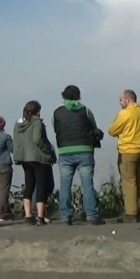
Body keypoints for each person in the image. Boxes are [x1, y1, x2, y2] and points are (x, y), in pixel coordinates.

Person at [53, 85, 104, 225]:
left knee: (65, 185)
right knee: (87, 184)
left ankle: (65, 216)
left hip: (64, 151)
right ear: (78, 96)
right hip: (85, 150)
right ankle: (92, 216)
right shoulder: (85, 110)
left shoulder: (56, 112)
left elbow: (55, 128)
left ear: (63, 96)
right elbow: (94, 127)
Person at [107, 89, 140, 223]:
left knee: (129, 182)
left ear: (128, 100)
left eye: (121, 100)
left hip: (128, 151)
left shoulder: (125, 113)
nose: (120, 103)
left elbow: (112, 130)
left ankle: (131, 214)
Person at [13, 100, 57, 226]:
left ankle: (28, 216)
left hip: (24, 159)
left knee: (29, 186)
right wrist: (47, 150)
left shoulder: (18, 124)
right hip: (38, 158)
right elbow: (37, 139)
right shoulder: (36, 122)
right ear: (37, 111)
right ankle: (40, 217)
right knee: (41, 187)